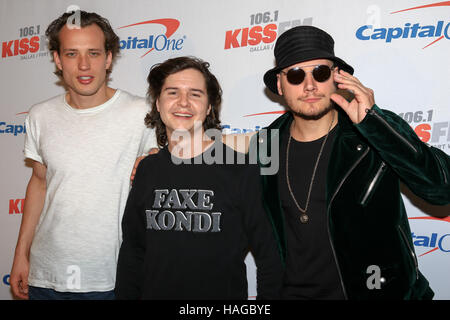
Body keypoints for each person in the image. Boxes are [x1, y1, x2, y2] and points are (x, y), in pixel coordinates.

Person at [252, 25, 450, 300]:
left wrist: (375, 123)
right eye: (296, 75)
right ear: (279, 84)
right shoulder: (263, 146)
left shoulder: (374, 131)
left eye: (320, 72)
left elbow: (441, 189)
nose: (309, 85)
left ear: (337, 77)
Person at [10, 10, 156, 300]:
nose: (84, 65)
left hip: (113, 278)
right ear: (58, 59)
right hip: (45, 277)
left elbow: (169, 167)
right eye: (72, 54)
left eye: (93, 53)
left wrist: (154, 158)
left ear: (109, 58)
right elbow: (39, 183)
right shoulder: (40, 115)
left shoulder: (141, 113)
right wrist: (20, 254)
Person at [115, 56, 283, 299]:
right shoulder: (147, 170)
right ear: (158, 105)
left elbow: (270, 258)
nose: (183, 103)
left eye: (195, 94)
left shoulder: (241, 170)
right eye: (172, 93)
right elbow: (133, 252)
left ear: (208, 107)